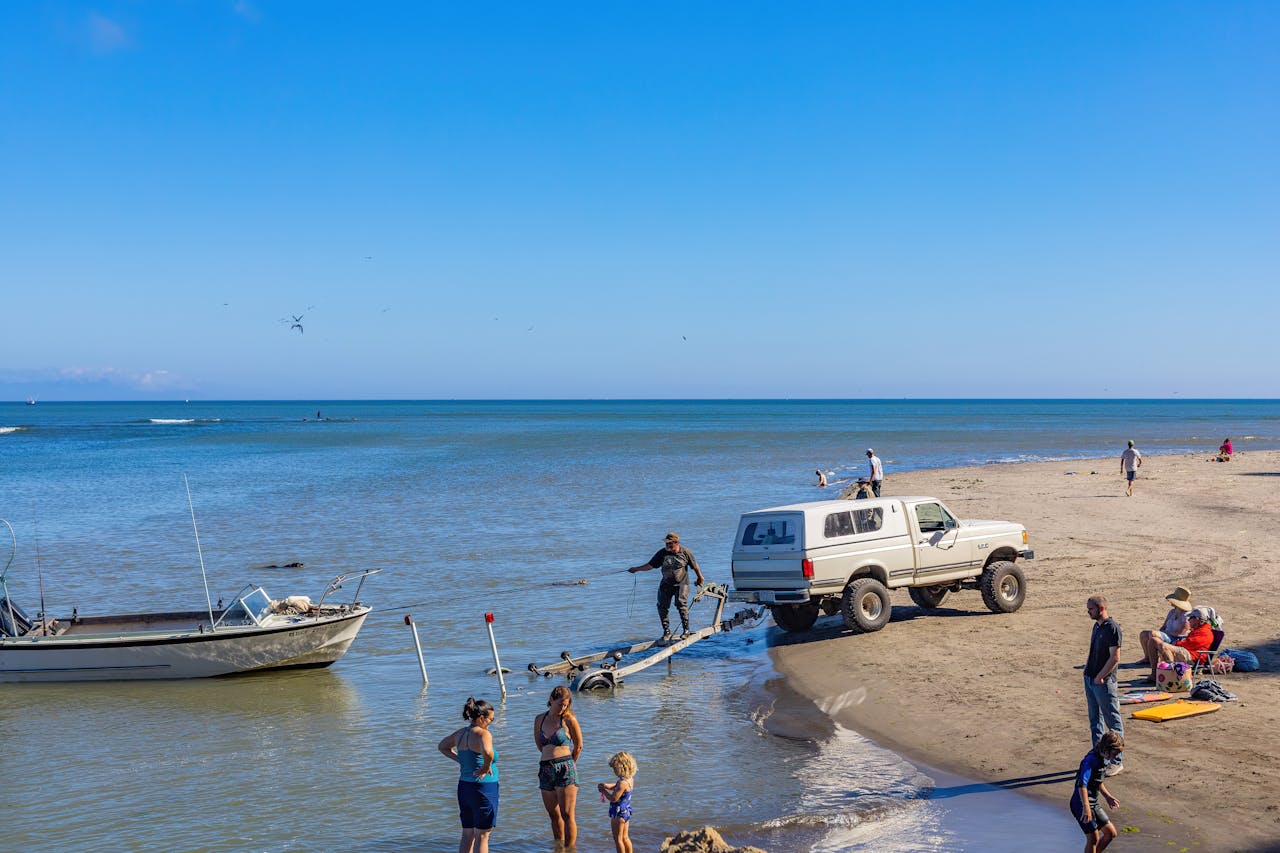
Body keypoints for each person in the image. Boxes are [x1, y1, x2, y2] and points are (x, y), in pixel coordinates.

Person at [438, 697, 499, 853]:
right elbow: (487, 752)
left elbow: (442, 746)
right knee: (483, 835)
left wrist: (461, 760)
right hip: (483, 787)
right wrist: (486, 767)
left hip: (464, 787)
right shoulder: (483, 734)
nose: (491, 722)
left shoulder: (460, 733)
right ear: (481, 718)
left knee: (467, 834)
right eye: (491, 719)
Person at [628, 532, 706, 642]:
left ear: (676, 543)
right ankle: (666, 632)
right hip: (666, 583)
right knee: (661, 606)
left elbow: (695, 566)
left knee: (680, 604)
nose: (667, 545)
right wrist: (636, 569)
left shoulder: (685, 552)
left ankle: (686, 631)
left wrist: (700, 577)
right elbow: (650, 565)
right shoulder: (662, 553)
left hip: (682, 583)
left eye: (670, 543)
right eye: (666, 543)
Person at [535, 685, 583, 849]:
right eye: (560, 704)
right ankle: (559, 848)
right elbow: (539, 745)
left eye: (565, 705)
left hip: (565, 767)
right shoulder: (539, 719)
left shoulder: (569, 719)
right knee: (554, 815)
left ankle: (570, 849)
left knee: (567, 814)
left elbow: (578, 746)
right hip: (545, 768)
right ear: (551, 700)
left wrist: (570, 764)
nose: (562, 708)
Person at [1083, 595, 1124, 776]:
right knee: (1095, 721)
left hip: (1103, 682)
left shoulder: (1112, 629)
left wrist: (1100, 676)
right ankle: (1099, 756)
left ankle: (1116, 760)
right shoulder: (1096, 626)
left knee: (1112, 722)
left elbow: (1115, 657)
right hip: (1090, 679)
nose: (1088, 612)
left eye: (1091, 609)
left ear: (1100, 608)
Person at [1070, 731, 1123, 852]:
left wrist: (1108, 797)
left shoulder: (1104, 757)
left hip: (1093, 802)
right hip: (1080, 804)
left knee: (1110, 833)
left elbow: (1097, 782)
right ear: (1106, 748)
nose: (1116, 757)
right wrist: (1086, 807)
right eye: (1115, 753)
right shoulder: (1091, 760)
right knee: (1093, 838)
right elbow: (1082, 785)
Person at [1146, 606, 1215, 682]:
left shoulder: (1205, 632)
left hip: (1192, 656)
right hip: (1186, 652)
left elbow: (1190, 644)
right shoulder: (1197, 629)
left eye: (1190, 618)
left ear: (1197, 619)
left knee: (1163, 646)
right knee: (1153, 640)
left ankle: (1172, 675)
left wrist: (1175, 643)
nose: (1188, 620)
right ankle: (1154, 674)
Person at [1137, 585, 1192, 665]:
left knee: (1153, 634)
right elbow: (1164, 626)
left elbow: (1181, 634)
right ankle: (1147, 657)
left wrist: (1165, 633)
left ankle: (1154, 658)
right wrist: (1160, 632)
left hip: (1176, 639)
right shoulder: (1172, 612)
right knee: (1144, 634)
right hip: (1168, 635)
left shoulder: (1186, 616)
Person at [597, 751, 637, 853]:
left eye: (615, 769)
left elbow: (613, 798)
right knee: (625, 837)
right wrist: (607, 785)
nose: (614, 771)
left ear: (620, 768)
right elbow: (617, 785)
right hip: (626, 811)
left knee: (618, 839)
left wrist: (604, 791)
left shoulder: (622, 783)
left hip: (618, 813)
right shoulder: (629, 779)